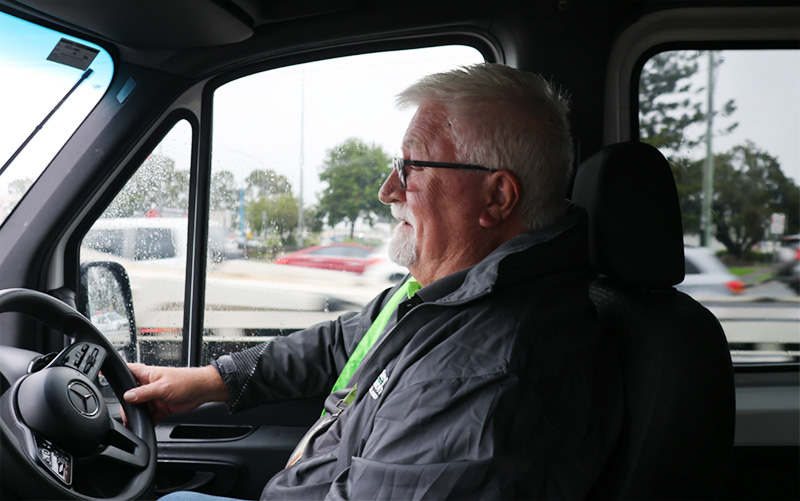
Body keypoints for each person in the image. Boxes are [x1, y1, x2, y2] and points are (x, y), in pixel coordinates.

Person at [124, 63, 623, 500]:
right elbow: (345, 342)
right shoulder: (448, 297)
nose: (388, 191)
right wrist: (212, 380)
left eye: (412, 167)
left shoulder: (482, 376)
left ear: (497, 197)